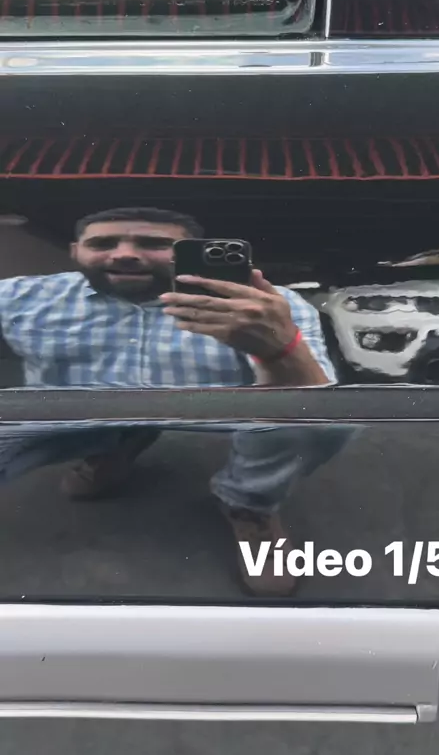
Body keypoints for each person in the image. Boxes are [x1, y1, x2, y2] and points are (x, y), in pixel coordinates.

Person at [0, 206, 344, 596]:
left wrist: (278, 348)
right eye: (103, 243)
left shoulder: (266, 305)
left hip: (214, 413)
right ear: (75, 251)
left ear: (189, 252)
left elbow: (316, 402)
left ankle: (249, 504)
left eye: (153, 243)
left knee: (318, 424)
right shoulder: (18, 296)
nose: (125, 253)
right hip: (75, 413)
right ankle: (110, 446)